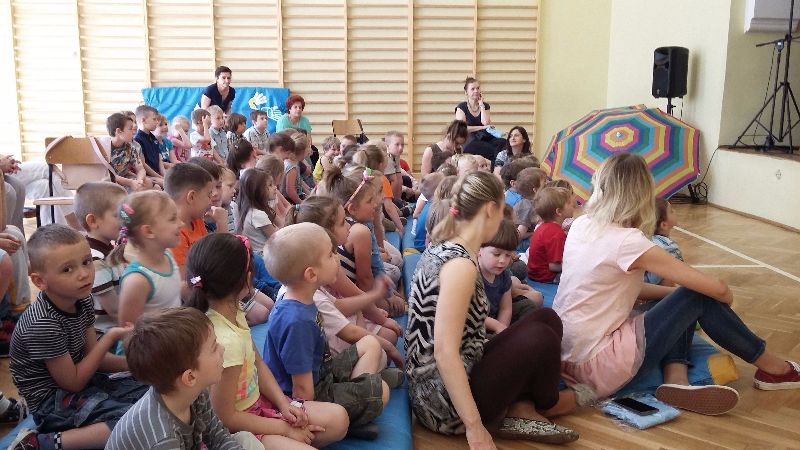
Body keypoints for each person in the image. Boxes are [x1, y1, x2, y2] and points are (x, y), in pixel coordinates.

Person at [553, 152, 800, 416]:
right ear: (642, 195)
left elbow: (620, 289)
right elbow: (716, 289)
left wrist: (675, 298)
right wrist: (721, 296)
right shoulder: (627, 241)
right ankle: (775, 370)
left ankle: (677, 380)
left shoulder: (581, 224)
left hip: (565, 355)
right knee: (696, 295)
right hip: (598, 366)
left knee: (682, 298)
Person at [405, 171, 582, 447]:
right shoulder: (460, 266)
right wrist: (474, 428)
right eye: (502, 210)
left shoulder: (450, 246)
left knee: (547, 318)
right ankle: (546, 404)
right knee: (542, 337)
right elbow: (444, 353)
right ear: (490, 209)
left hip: (460, 369)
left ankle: (522, 407)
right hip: (442, 405)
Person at [187, 233, 349, 448]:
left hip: (259, 405)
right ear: (248, 279)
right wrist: (284, 428)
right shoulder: (226, 342)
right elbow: (225, 417)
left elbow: (258, 363)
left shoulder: (234, 311)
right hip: (239, 428)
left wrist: (284, 404)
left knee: (338, 419)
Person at [9, 224, 147, 450]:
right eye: (67, 269)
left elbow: (95, 359)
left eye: (86, 262)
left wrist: (137, 365)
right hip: (51, 403)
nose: (84, 273)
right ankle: (39, 443)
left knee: (153, 390)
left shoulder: (82, 299)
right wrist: (109, 338)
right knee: (134, 420)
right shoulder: (43, 324)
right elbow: (73, 383)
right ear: (40, 282)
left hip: (84, 382)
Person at [263, 223, 389, 436]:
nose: (337, 258)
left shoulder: (306, 297)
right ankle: (354, 417)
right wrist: (320, 414)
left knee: (370, 343)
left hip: (323, 373)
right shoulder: (297, 322)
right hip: (307, 395)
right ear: (311, 274)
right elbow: (302, 392)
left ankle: (361, 393)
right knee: (382, 391)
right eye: (331, 255)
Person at [106, 307, 262, 450]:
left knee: (245, 439)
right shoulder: (163, 438)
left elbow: (218, 437)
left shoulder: (196, 393)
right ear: (190, 377)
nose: (223, 349)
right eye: (214, 347)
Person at [110, 191, 183, 326]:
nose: (181, 223)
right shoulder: (137, 281)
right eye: (173, 219)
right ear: (148, 231)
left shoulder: (168, 255)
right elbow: (128, 330)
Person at [74, 182, 128, 331]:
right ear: (93, 221)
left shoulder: (112, 247)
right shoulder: (94, 260)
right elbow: (115, 312)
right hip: (105, 333)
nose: (127, 220)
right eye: (119, 215)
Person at [478, 219, 541, 334]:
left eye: (508, 255)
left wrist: (502, 332)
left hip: (495, 318)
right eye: (496, 254)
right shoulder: (472, 275)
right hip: (476, 324)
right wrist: (496, 326)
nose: (502, 260)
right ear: (478, 249)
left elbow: (505, 309)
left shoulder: (504, 275)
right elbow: (466, 314)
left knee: (528, 307)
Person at [164, 163, 214, 274]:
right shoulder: (175, 234)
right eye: (209, 195)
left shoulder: (197, 220)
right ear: (191, 197)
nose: (211, 201)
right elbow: (184, 280)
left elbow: (210, 253)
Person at [527, 187, 575, 283]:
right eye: (569, 203)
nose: (573, 204)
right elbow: (554, 267)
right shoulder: (556, 233)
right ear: (559, 212)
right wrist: (573, 264)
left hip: (534, 273)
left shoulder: (543, 227)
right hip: (546, 276)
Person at [454, 77, 505, 164]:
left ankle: (497, 167)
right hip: (469, 140)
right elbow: (462, 128)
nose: (476, 91)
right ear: (466, 92)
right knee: (492, 151)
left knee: (502, 142)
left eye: (478, 88)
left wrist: (481, 105)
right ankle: (497, 168)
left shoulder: (485, 106)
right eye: (472, 89)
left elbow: (485, 123)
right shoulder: (462, 107)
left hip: (484, 137)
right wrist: (482, 128)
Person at [106, 112, 157, 192]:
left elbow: (140, 169)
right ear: (119, 131)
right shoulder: (105, 147)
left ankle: (134, 193)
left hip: (126, 178)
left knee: (150, 183)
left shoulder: (130, 147)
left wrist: (139, 181)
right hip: (111, 181)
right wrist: (130, 183)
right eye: (130, 129)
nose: (133, 132)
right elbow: (109, 176)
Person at [236, 168, 279, 253]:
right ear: (257, 190)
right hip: (264, 255)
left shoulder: (251, 210)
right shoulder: (258, 214)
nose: (275, 187)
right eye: (270, 185)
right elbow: (277, 238)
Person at [644, 198, 683, 286]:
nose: (675, 211)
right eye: (671, 211)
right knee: (670, 266)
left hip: (638, 285)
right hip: (650, 288)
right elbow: (682, 273)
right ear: (664, 225)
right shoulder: (668, 247)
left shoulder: (645, 239)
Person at [512, 167, 548, 243]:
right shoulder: (527, 207)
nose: (547, 184)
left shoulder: (531, 203)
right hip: (520, 244)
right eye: (544, 183)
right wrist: (534, 232)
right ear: (535, 190)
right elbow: (519, 235)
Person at [134, 105, 166, 184]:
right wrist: (160, 177)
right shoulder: (137, 140)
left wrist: (164, 175)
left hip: (157, 174)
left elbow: (159, 160)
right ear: (143, 120)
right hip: (148, 176)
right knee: (166, 184)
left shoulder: (153, 138)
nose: (157, 122)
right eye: (154, 119)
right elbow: (143, 164)